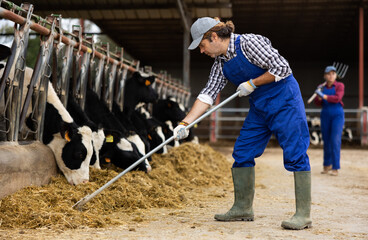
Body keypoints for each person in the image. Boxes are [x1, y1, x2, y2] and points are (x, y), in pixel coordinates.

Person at [173, 17, 312, 230]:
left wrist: (252, 83)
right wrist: (185, 123)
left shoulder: (248, 43)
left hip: (285, 100)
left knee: (295, 151)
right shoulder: (220, 62)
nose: (202, 51)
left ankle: (303, 215)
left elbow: (282, 68)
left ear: (214, 37)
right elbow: (207, 94)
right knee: (243, 151)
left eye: (202, 46)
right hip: (260, 106)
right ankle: (243, 207)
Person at [314, 66, 345, 176]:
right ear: (325, 76)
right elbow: (317, 103)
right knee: (326, 140)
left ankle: (335, 167)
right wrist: (318, 96)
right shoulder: (321, 87)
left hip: (337, 114)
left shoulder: (340, 86)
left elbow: (337, 98)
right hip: (325, 114)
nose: (331, 76)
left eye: (333, 73)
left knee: (335, 140)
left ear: (336, 75)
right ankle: (327, 165)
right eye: (328, 74)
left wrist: (324, 96)